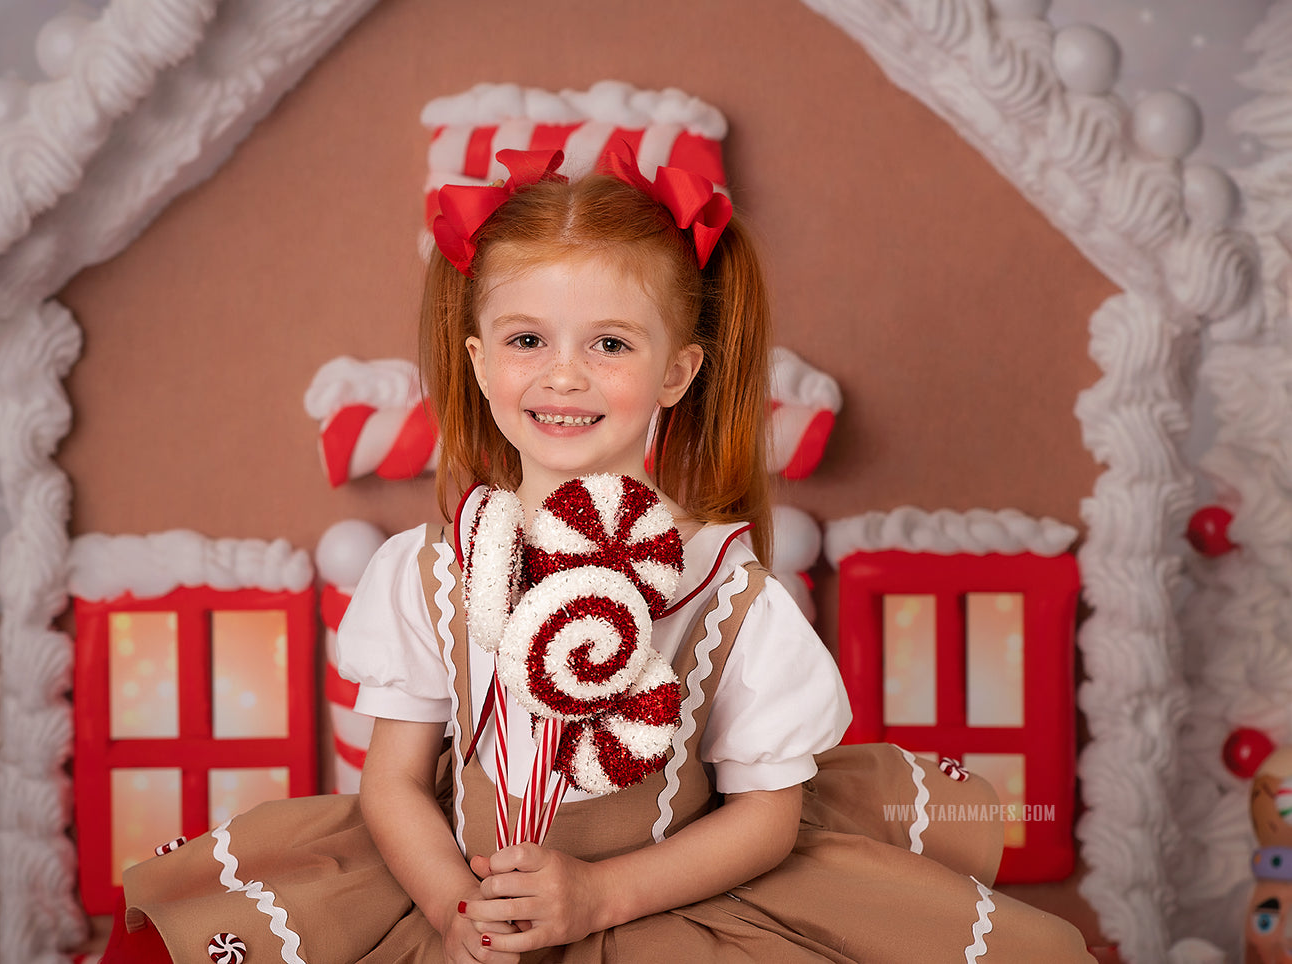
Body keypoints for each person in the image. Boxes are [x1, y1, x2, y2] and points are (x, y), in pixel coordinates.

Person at [110, 144, 1093, 962]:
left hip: (662, 908)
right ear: (479, 360)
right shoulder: (430, 571)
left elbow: (762, 817)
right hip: (451, 893)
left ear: (677, 371)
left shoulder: (726, 592)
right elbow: (394, 782)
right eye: (527, 338)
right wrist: (460, 913)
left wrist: (597, 896)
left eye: (610, 345)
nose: (563, 375)